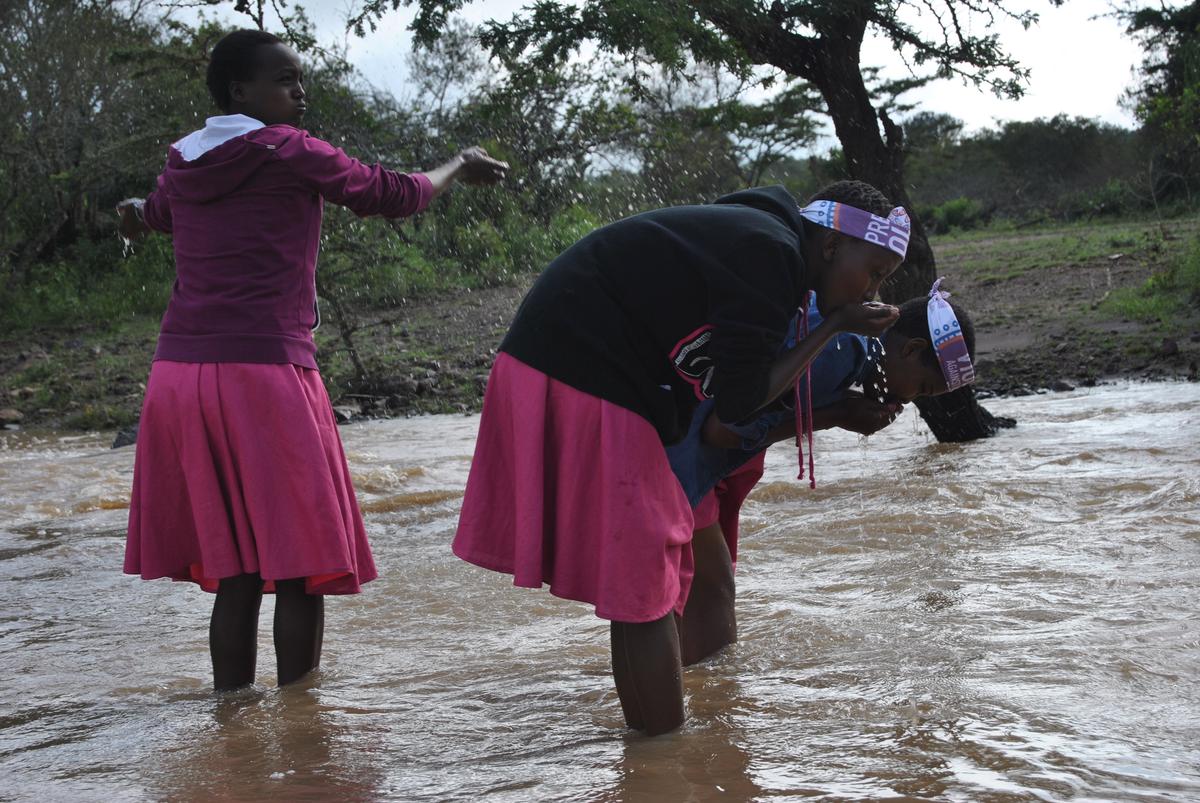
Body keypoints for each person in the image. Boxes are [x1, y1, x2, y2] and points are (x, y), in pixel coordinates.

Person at [118, 29, 508, 691]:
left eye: (299, 79)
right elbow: (394, 194)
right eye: (284, 78)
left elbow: (152, 214)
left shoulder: (185, 160)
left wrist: (129, 215)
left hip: (178, 377)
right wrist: (457, 165)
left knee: (238, 570)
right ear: (240, 90)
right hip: (264, 374)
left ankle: (231, 721)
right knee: (301, 564)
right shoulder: (288, 150)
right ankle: (304, 731)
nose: (299, 91)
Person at [453, 179, 911, 735]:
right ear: (834, 245)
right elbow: (740, 403)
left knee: (651, 579)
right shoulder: (773, 253)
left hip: (585, 364)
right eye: (876, 272)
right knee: (643, 581)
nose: (872, 290)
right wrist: (836, 325)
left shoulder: (769, 245)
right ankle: (663, 764)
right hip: (580, 363)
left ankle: (659, 765)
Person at [672, 282, 979, 666]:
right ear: (911, 350)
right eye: (921, 388)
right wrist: (835, 416)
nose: (906, 401)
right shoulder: (841, 350)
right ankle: (696, 712)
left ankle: (700, 695)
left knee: (698, 586)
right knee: (710, 585)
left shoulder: (851, 335)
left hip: (693, 442)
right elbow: (725, 431)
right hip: (685, 452)